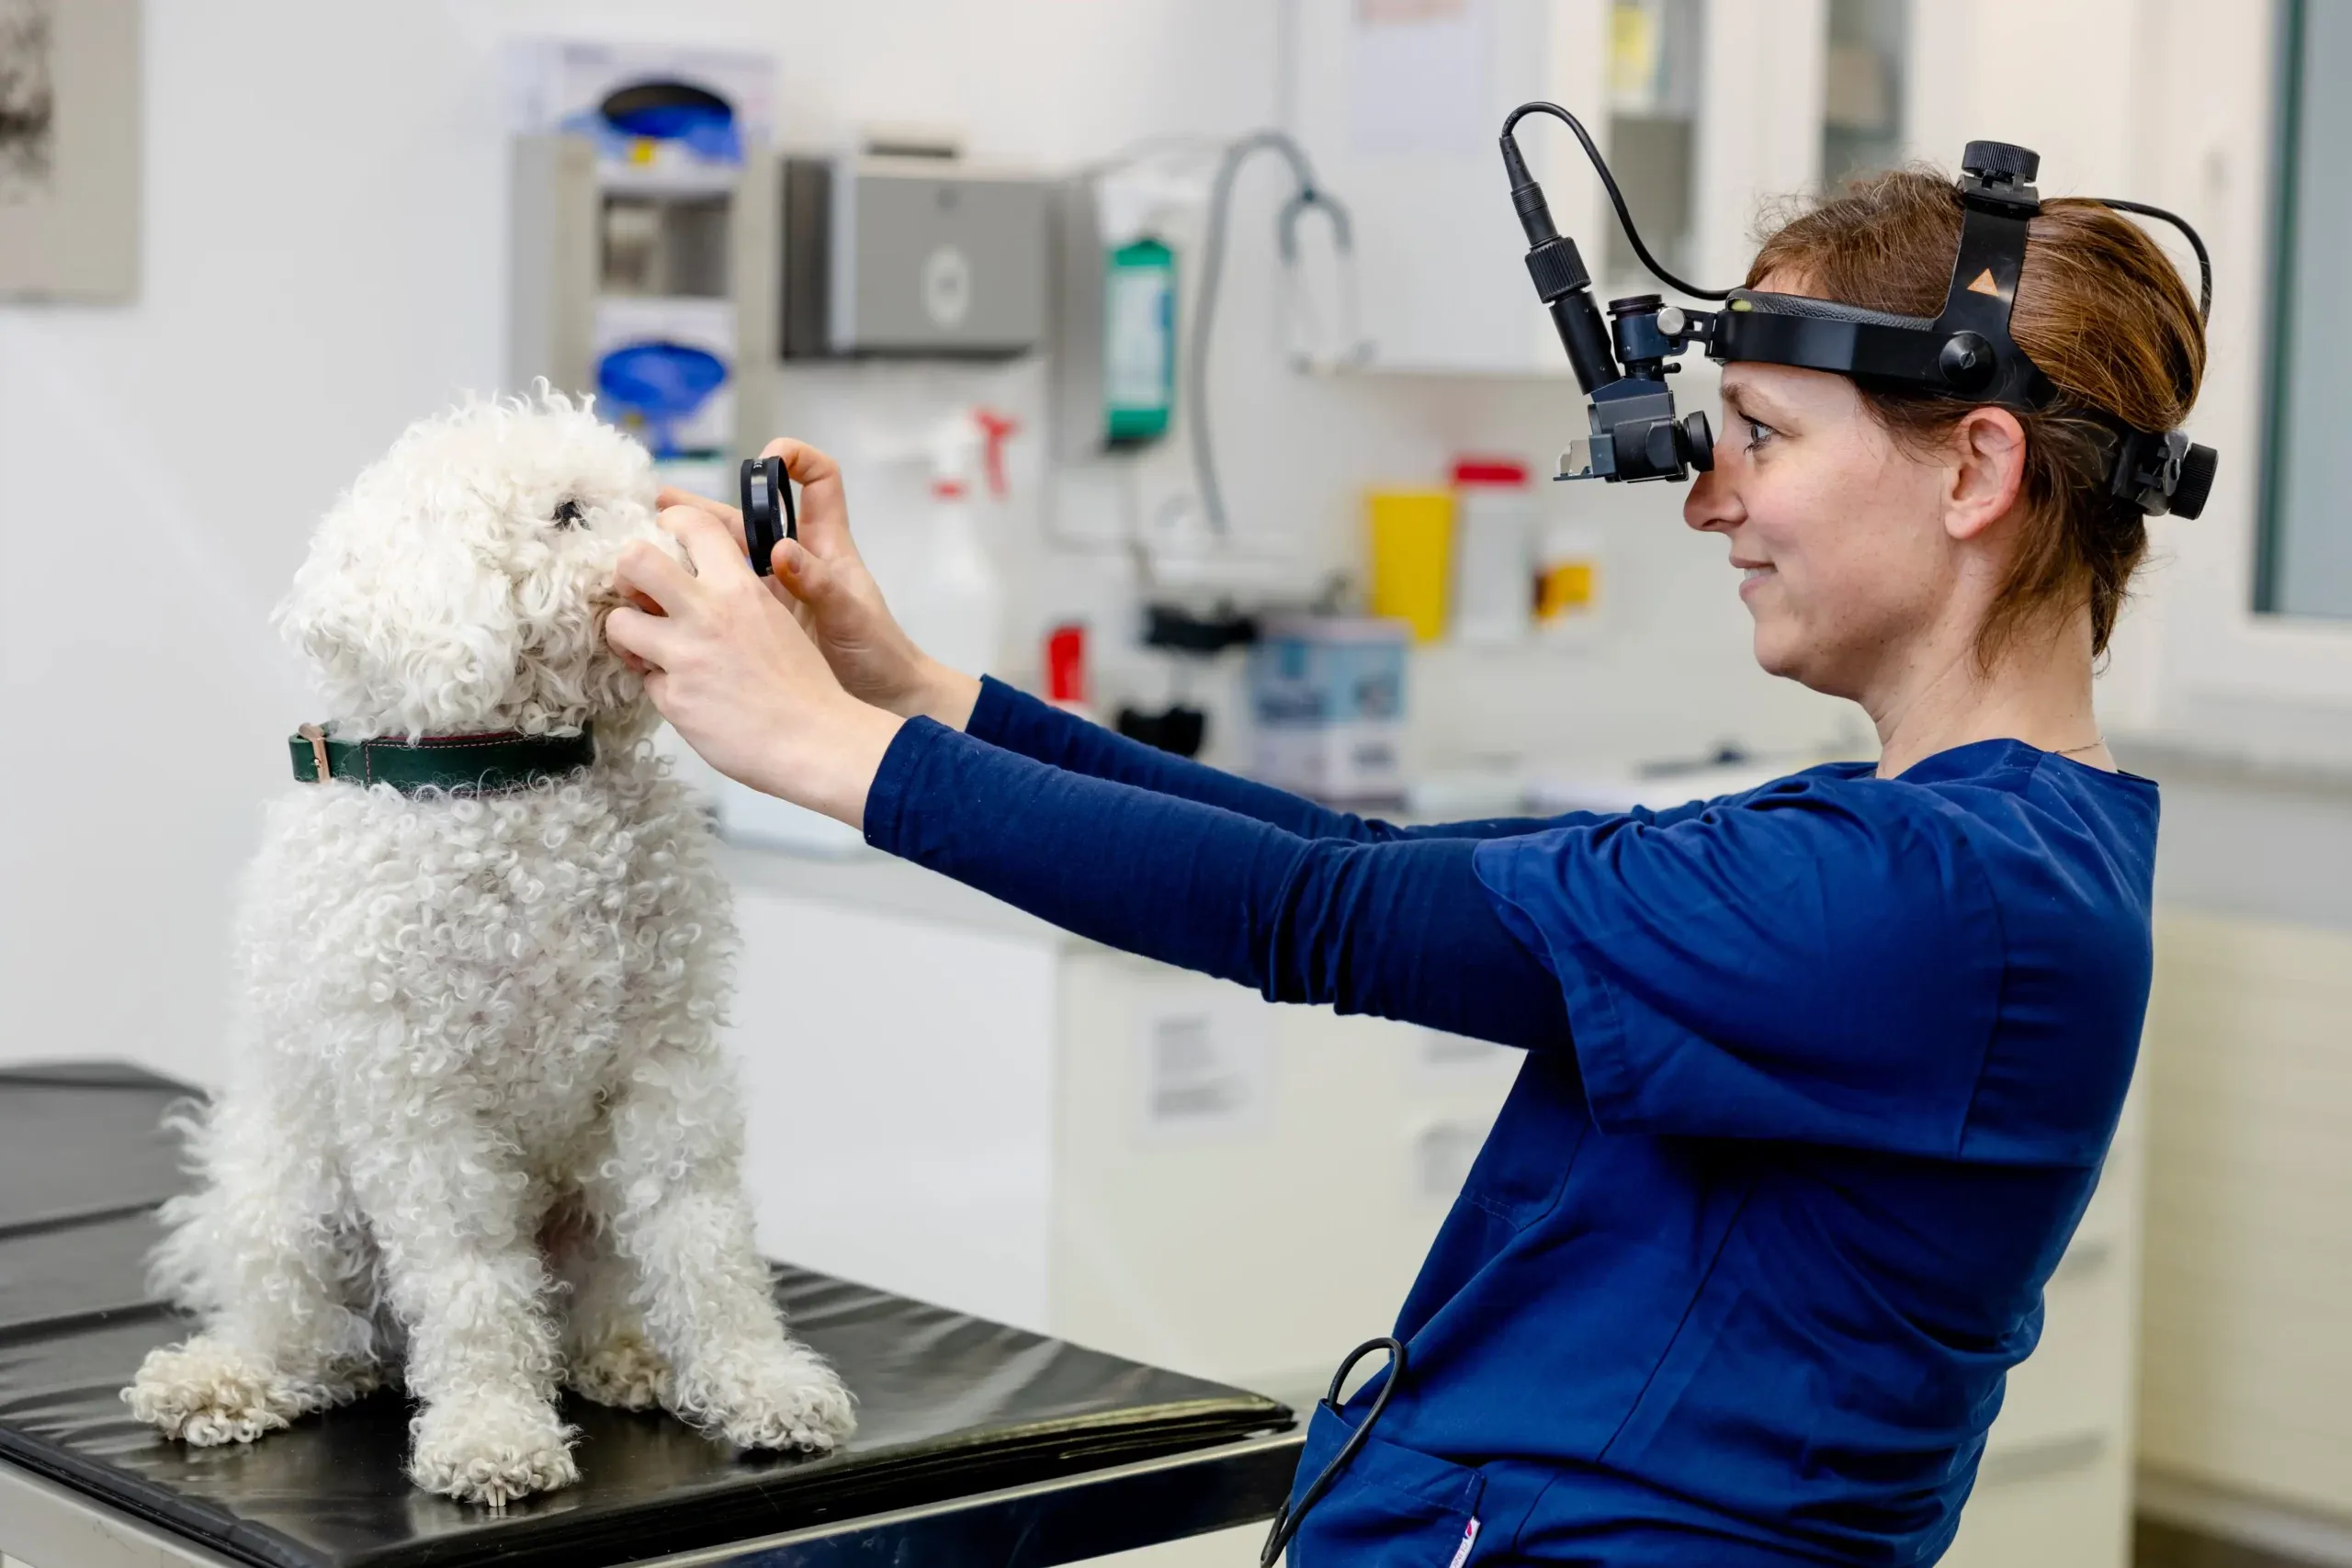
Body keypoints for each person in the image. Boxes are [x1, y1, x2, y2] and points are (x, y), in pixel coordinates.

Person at [604, 167, 2204, 1566]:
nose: (1712, 499)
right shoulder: (1935, 850)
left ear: (1976, 471)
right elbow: (1353, 860)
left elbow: (1325, 916)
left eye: (1764, 439)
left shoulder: (1933, 898)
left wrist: (816, 749)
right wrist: (913, 693)